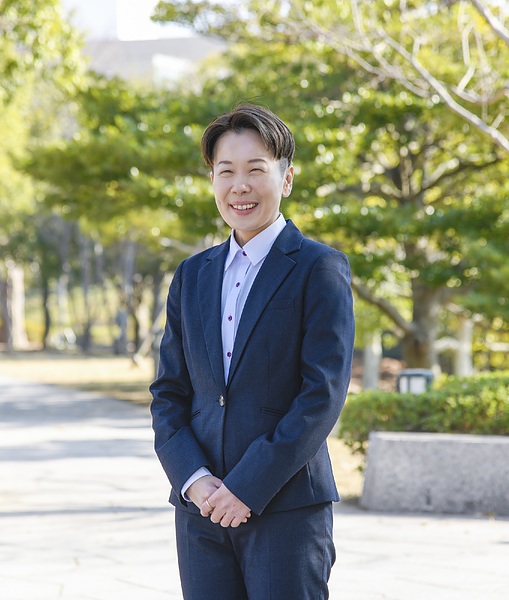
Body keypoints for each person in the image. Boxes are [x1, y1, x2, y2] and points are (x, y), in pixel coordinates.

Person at [150, 104, 355, 599]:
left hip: (286, 511)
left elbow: (321, 396)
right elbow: (169, 393)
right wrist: (194, 479)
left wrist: (246, 486)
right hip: (200, 512)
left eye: (255, 170)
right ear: (213, 181)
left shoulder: (319, 268)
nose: (239, 186)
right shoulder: (192, 275)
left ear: (287, 179)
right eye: (226, 172)